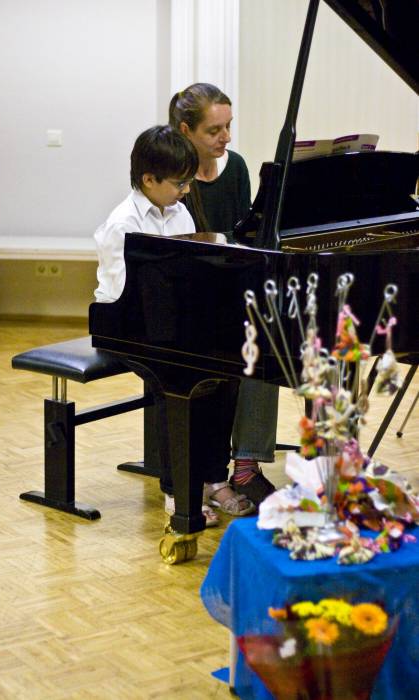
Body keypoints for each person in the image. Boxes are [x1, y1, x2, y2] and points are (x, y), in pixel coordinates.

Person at [94, 124, 254, 526]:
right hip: (126, 326)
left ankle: (215, 478)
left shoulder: (177, 210)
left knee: (228, 369)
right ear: (149, 179)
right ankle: (177, 490)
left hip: (174, 322)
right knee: (176, 379)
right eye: (179, 182)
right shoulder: (123, 225)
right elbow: (122, 294)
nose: (186, 190)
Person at [169, 83, 279, 507]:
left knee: (267, 338)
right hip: (192, 299)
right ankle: (199, 475)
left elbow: (244, 233)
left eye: (229, 126)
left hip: (229, 290)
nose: (226, 137)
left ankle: (247, 463)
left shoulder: (235, 168)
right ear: (186, 130)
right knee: (230, 347)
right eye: (215, 130)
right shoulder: (173, 179)